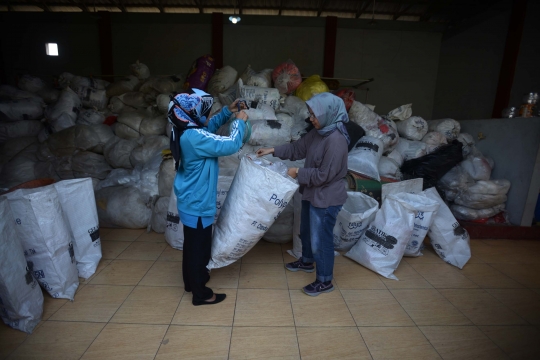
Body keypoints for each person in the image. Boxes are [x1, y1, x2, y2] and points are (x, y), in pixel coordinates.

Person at [256, 92, 349, 296]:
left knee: (320, 239)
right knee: (306, 230)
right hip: (312, 192)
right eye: (310, 114)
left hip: (326, 197)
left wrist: (297, 172)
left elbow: (324, 175)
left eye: (315, 115)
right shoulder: (319, 132)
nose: (311, 119)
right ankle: (307, 261)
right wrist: (272, 150)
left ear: (329, 114)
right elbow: (298, 149)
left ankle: (325, 281)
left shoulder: (336, 141)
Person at [168, 89, 248, 305]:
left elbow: (207, 130)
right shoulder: (194, 138)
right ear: (191, 113)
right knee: (199, 250)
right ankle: (201, 293)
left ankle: (190, 282)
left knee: (191, 245)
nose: (205, 114)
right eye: (203, 111)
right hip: (198, 203)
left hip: (189, 200)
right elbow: (230, 144)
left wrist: (225, 113)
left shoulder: (184, 129)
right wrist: (239, 122)